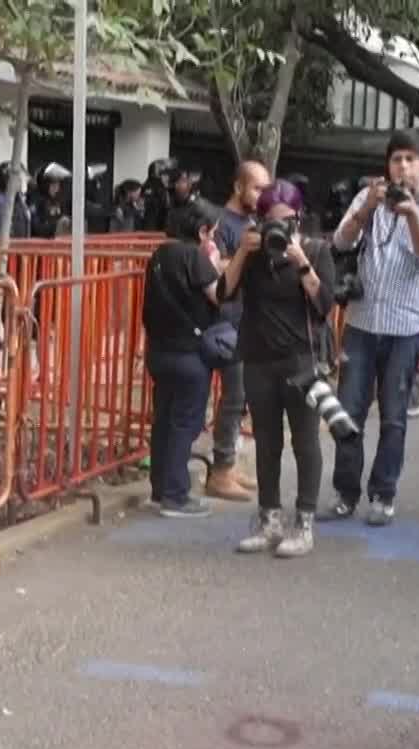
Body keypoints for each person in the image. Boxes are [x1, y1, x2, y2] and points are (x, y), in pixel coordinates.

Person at [327, 130, 419, 526]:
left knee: (394, 415)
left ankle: (383, 493)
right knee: (347, 411)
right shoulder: (370, 197)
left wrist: (413, 215)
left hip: (406, 326)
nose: (402, 167)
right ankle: (346, 492)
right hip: (362, 322)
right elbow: (341, 241)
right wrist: (367, 208)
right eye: (396, 159)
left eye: (410, 159)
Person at [220, 180, 339, 556]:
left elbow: (324, 304)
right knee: (267, 442)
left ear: (299, 219)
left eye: (286, 221)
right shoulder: (252, 255)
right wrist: (241, 251)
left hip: (302, 359)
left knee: (305, 441)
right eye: (269, 220)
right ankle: (269, 518)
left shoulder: (316, 249)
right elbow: (223, 293)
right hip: (258, 357)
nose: (278, 227)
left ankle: (303, 522)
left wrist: (300, 259)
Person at [142, 202, 227, 518]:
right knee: (183, 423)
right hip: (189, 353)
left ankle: (159, 488)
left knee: (163, 419)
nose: (214, 241)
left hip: (159, 351)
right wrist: (216, 265)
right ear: (201, 231)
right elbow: (218, 295)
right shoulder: (194, 256)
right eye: (212, 234)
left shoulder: (159, 256)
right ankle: (176, 496)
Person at [206, 159, 273, 503]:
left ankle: (227, 466)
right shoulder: (221, 224)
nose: (263, 196)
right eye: (257, 188)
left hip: (246, 321)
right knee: (233, 397)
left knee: (239, 397)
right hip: (223, 321)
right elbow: (214, 268)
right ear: (238, 187)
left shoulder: (253, 221)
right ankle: (220, 471)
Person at [0, 161, 31, 239]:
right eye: (18, 178)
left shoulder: (20, 199)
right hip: (2, 248)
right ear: (6, 180)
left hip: (20, 248)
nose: (20, 181)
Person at [29, 163, 71, 239]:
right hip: (38, 245)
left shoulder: (56, 200)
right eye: (54, 184)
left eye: (58, 184)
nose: (57, 188)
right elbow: (35, 227)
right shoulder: (35, 200)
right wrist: (56, 226)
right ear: (45, 184)